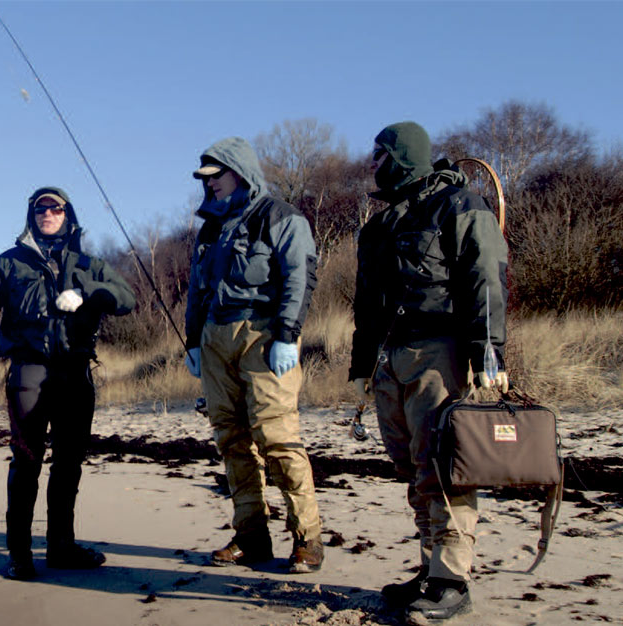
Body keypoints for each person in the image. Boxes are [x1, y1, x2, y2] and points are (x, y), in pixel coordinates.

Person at [349, 121, 508, 623]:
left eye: (379, 156)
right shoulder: (379, 223)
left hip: (438, 352)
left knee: (443, 466)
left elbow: (485, 278)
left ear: (402, 156)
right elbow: (365, 301)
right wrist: (361, 363)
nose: (371, 164)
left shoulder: (460, 206)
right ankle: (429, 567)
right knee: (412, 467)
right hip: (388, 358)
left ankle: (451, 578)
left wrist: (487, 353)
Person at [0, 186, 135, 581]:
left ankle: (61, 547)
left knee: (69, 462)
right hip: (28, 372)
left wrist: (86, 292)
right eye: (39, 209)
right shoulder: (9, 263)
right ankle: (19, 554)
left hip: (75, 372)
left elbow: (126, 298)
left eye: (54, 208)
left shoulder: (89, 262)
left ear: (67, 215)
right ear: (31, 216)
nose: (47, 213)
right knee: (26, 462)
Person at [183, 137, 324, 573]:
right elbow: (196, 291)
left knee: (278, 437)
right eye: (205, 180)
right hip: (214, 338)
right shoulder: (209, 227)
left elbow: (300, 276)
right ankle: (251, 538)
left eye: (217, 177)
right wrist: (192, 341)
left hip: (262, 334)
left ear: (239, 172)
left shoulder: (281, 217)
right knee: (230, 439)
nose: (211, 187)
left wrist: (287, 334)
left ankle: (308, 540)